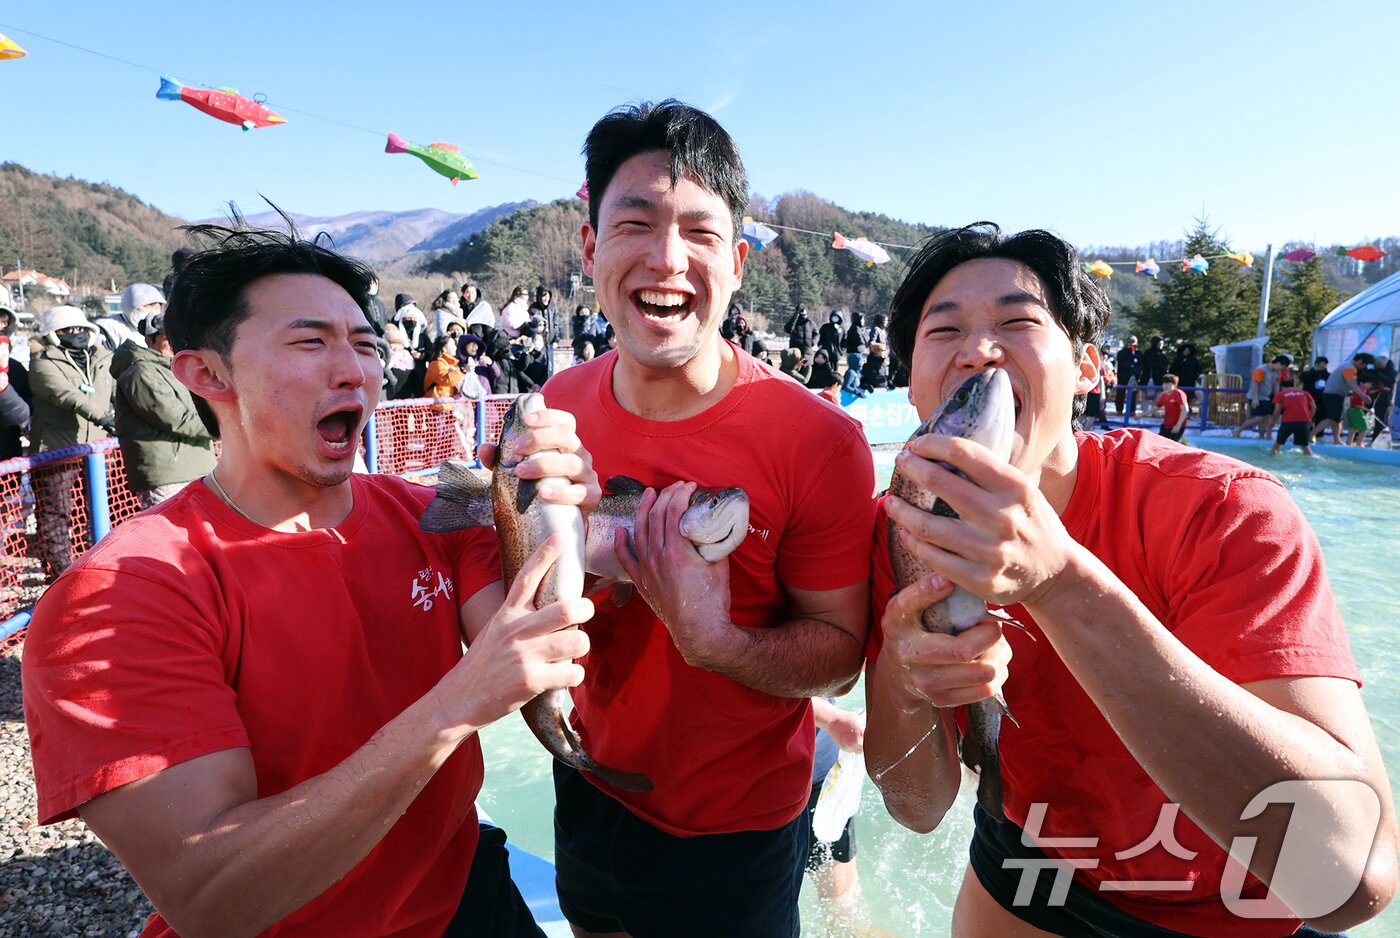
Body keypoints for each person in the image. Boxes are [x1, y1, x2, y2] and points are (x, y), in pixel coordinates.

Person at [22, 218, 602, 937]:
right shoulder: (118, 596)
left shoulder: (433, 517)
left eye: (364, 344)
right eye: (309, 342)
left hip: (466, 894)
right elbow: (213, 896)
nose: (354, 369)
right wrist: (457, 701)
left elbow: (542, 630)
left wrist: (561, 512)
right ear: (206, 373)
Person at [864, 222, 1396, 938]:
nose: (977, 351)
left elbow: (1349, 880)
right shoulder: (901, 528)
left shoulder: (1220, 508)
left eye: (1017, 321)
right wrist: (903, 674)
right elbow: (919, 808)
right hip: (1036, 858)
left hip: (1227, 897)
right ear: (912, 379)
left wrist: (1056, 582)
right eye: (943, 330)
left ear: (1089, 369)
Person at [542, 99, 876, 938]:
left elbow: (838, 656)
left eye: (699, 231)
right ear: (589, 248)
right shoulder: (557, 407)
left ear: (737, 259)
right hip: (586, 782)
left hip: (737, 828)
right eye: (636, 223)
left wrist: (716, 642)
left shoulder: (818, 441)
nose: (667, 258)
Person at [28, 305, 116, 578]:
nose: (75, 334)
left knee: (95, 513)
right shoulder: (42, 363)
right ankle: (60, 577)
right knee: (56, 516)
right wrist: (104, 417)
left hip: (97, 452)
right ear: (52, 334)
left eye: (81, 329)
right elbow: (67, 396)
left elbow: (118, 390)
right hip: (57, 451)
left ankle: (94, 568)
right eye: (66, 330)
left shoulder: (103, 357)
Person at [110, 311, 216, 508]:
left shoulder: (174, 366)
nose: (175, 341)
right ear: (150, 338)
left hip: (195, 468)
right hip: (168, 475)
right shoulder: (140, 371)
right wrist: (222, 426)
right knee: (174, 536)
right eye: (167, 336)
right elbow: (174, 418)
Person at [1314, 352, 1372, 445]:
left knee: (1338, 419)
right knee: (1332, 419)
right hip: (1333, 395)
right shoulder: (1350, 368)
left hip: (1334, 395)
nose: (1364, 367)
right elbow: (1351, 383)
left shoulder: (1347, 366)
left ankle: (1336, 440)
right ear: (1360, 361)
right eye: (1365, 364)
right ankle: (1311, 435)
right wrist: (1363, 395)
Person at [1233, 354, 1292, 438]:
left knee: (1267, 418)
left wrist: (1277, 397)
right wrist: (1255, 398)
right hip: (1256, 396)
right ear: (1279, 363)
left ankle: (1261, 435)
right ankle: (1238, 430)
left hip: (1266, 397)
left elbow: (1276, 384)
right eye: (1282, 367)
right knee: (1258, 418)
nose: (1282, 369)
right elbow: (1255, 384)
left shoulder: (1277, 372)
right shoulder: (1261, 370)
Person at [98, 283, 164, 351]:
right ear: (130, 307)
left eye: (156, 308)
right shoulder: (110, 327)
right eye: (146, 307)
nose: (151, 313)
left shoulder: (161, 329)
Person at [1270, 377, 1317, 457]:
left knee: (1278, 444)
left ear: (1282, 387)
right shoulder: (1304, 393)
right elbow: (1313, 406)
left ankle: (1271, 458)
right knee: (1305, 446)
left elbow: (1277, 409)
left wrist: (1273, 421)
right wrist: (1309, 418)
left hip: (1287, 422)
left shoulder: (1281, 394)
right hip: (1303, 422)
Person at [1154, 373, 1190, 442]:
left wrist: (1178, 425)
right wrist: (1142, 414)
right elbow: (1155, 408)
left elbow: (1185, 409)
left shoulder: (1179, 394)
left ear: (1175, 385)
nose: (1166, 386)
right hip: (1166, 425)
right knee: (1159, 443)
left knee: (1173, 446)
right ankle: (1182, 441)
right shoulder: (1164, 395)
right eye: (1164, 383)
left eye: (1168, 383)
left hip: (1177, 426)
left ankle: (1183, 442)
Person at [1113, 335, 1140, 415]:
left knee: (1133, 394)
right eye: (1131, 342)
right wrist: (1131, 367)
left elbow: (1141, 363)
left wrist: (1136, 370)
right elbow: (1122, 362)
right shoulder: (1121, 352)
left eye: (1134, 343)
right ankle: (1119, 410)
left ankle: (1132, 411)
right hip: (1123, 376)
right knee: (1120, 394)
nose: (1132, 344)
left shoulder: (1138, 353)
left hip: (1134, 376)